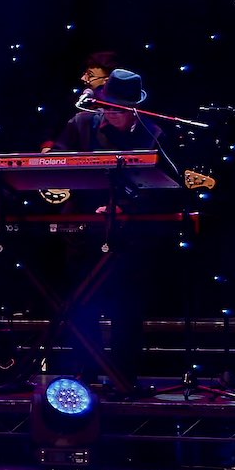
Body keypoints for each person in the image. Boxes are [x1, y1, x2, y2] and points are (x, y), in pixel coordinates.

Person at [43, 67, 163, 393]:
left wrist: (125, 209)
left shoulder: (153, 134)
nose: (110, 113)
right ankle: (85, 373)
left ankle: (123, 376)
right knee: (81, 305)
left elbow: (161, 188)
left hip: (127, 237)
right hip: (82, 232)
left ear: (134, 108)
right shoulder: (82, 123)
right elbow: (54, 161)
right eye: (106, 106)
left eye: (117, 109)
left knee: (126, 307)